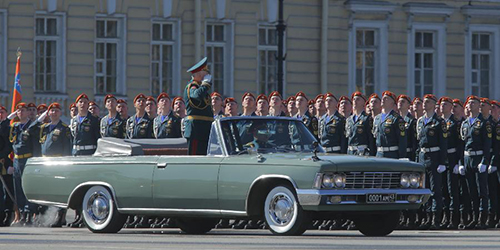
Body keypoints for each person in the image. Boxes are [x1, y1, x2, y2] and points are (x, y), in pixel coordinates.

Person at [414, 94, 448, 230]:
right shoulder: (420, 121)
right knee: (424, 190)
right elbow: (418, 143)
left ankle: (435, 219)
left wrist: (442, 162)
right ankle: (426, 218)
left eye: (427, 102)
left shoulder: (439, 122)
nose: (424, 104)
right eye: (424, 102)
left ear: (434, 105)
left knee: (435, 191)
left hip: (434, 158)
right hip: (423, 157)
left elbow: (443, 144)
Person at [459, 95, 492, 229]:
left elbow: (487, 145)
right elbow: (462, 144)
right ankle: (474, 217)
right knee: (471, 191)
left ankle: (482, 219)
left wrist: (484, 161)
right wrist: (461, 162)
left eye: (474, 103)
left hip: (478, 159)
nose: (470, 105)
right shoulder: (465, 123)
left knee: (481, 191)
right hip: (467, 158)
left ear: (479, 106)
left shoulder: (484, 123)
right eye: (469, 103)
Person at [68, 93, 100, 228]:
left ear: (88, 105)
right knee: (77, 186)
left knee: (87, 187)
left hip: (88, 154)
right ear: (76, 105)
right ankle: (78, 215)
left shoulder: (93, 120)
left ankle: (86, 216)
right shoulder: (74, 120)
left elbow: (97, 139)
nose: (82, 104)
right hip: (76, 154)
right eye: (80, 102)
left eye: (85, 102)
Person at [38, 103, 72, 227]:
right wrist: (40, 118)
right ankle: (46, 217)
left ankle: (59, 217)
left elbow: (67, 149)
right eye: (51, 110)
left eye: (56, 110)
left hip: (58, 162)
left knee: (58, 191)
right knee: (47, 191)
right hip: (46, 163)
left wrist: (65, 163)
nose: (54, 113)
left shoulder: (64, 128)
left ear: (60, 113)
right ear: (48, 113)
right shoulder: (44, 128)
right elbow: (31, 128)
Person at [9, 103, 38, 226]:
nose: (21, 113)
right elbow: (5, 127)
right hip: (16, 160)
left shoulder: (31, 126)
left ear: (27, 113)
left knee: (27, 187)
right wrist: (11, 117)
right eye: (18, 111)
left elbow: (35, 145)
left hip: (27, 159)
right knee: (18, 188)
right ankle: (21, 213)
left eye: (23, 111)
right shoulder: (14, 126)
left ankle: (29, 214)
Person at [439, 96, 463, 229]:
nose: (442, 107)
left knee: (452, 189)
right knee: (443, 190)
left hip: (452, 157)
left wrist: (459, 161)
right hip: (442, 159)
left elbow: (460, 144)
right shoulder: (438, 122)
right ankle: (445, 216)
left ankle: (454, 219)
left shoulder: (456, 123)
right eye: (441, 105)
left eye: (446, 105)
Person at [183, 57, 214, 155]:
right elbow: (196, 96)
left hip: (204, 129)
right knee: (195, 158)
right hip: (196, 130)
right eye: (205, 72)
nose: (207, 75)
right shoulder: (192, 86)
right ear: (200, 73)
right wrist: (205, 84)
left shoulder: (201, 88)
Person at [372, 91, 407, 159]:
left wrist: (401, 157)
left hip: (391, 154)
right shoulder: (377, 118)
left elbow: (402, 140)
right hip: (379, 154)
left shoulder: (397, 119)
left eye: (386, 98)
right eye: (383, 98)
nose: (383, 99)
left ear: (392, 103)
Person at [346, 92, 375, 156]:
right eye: (354, 99)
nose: (355, 101)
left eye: (358, 99)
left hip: (362, 152)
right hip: (350, 152)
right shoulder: (349, 119)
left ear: (363, 103)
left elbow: (371, 139)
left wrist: (372, 154)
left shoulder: (367, 118)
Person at [489, 100, 500, 228]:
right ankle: (494, 217)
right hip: (493, 161)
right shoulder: (490, 124)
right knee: (493, 191)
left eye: (494, 108)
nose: (492, 110)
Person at [398, 95, 418, 162]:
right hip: (397, 153)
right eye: (399, 101)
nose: (400, 103)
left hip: (408, 153)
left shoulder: (412, 121)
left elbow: (414, 142)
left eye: (403, 102)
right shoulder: (395, 120)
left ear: (409, 105)